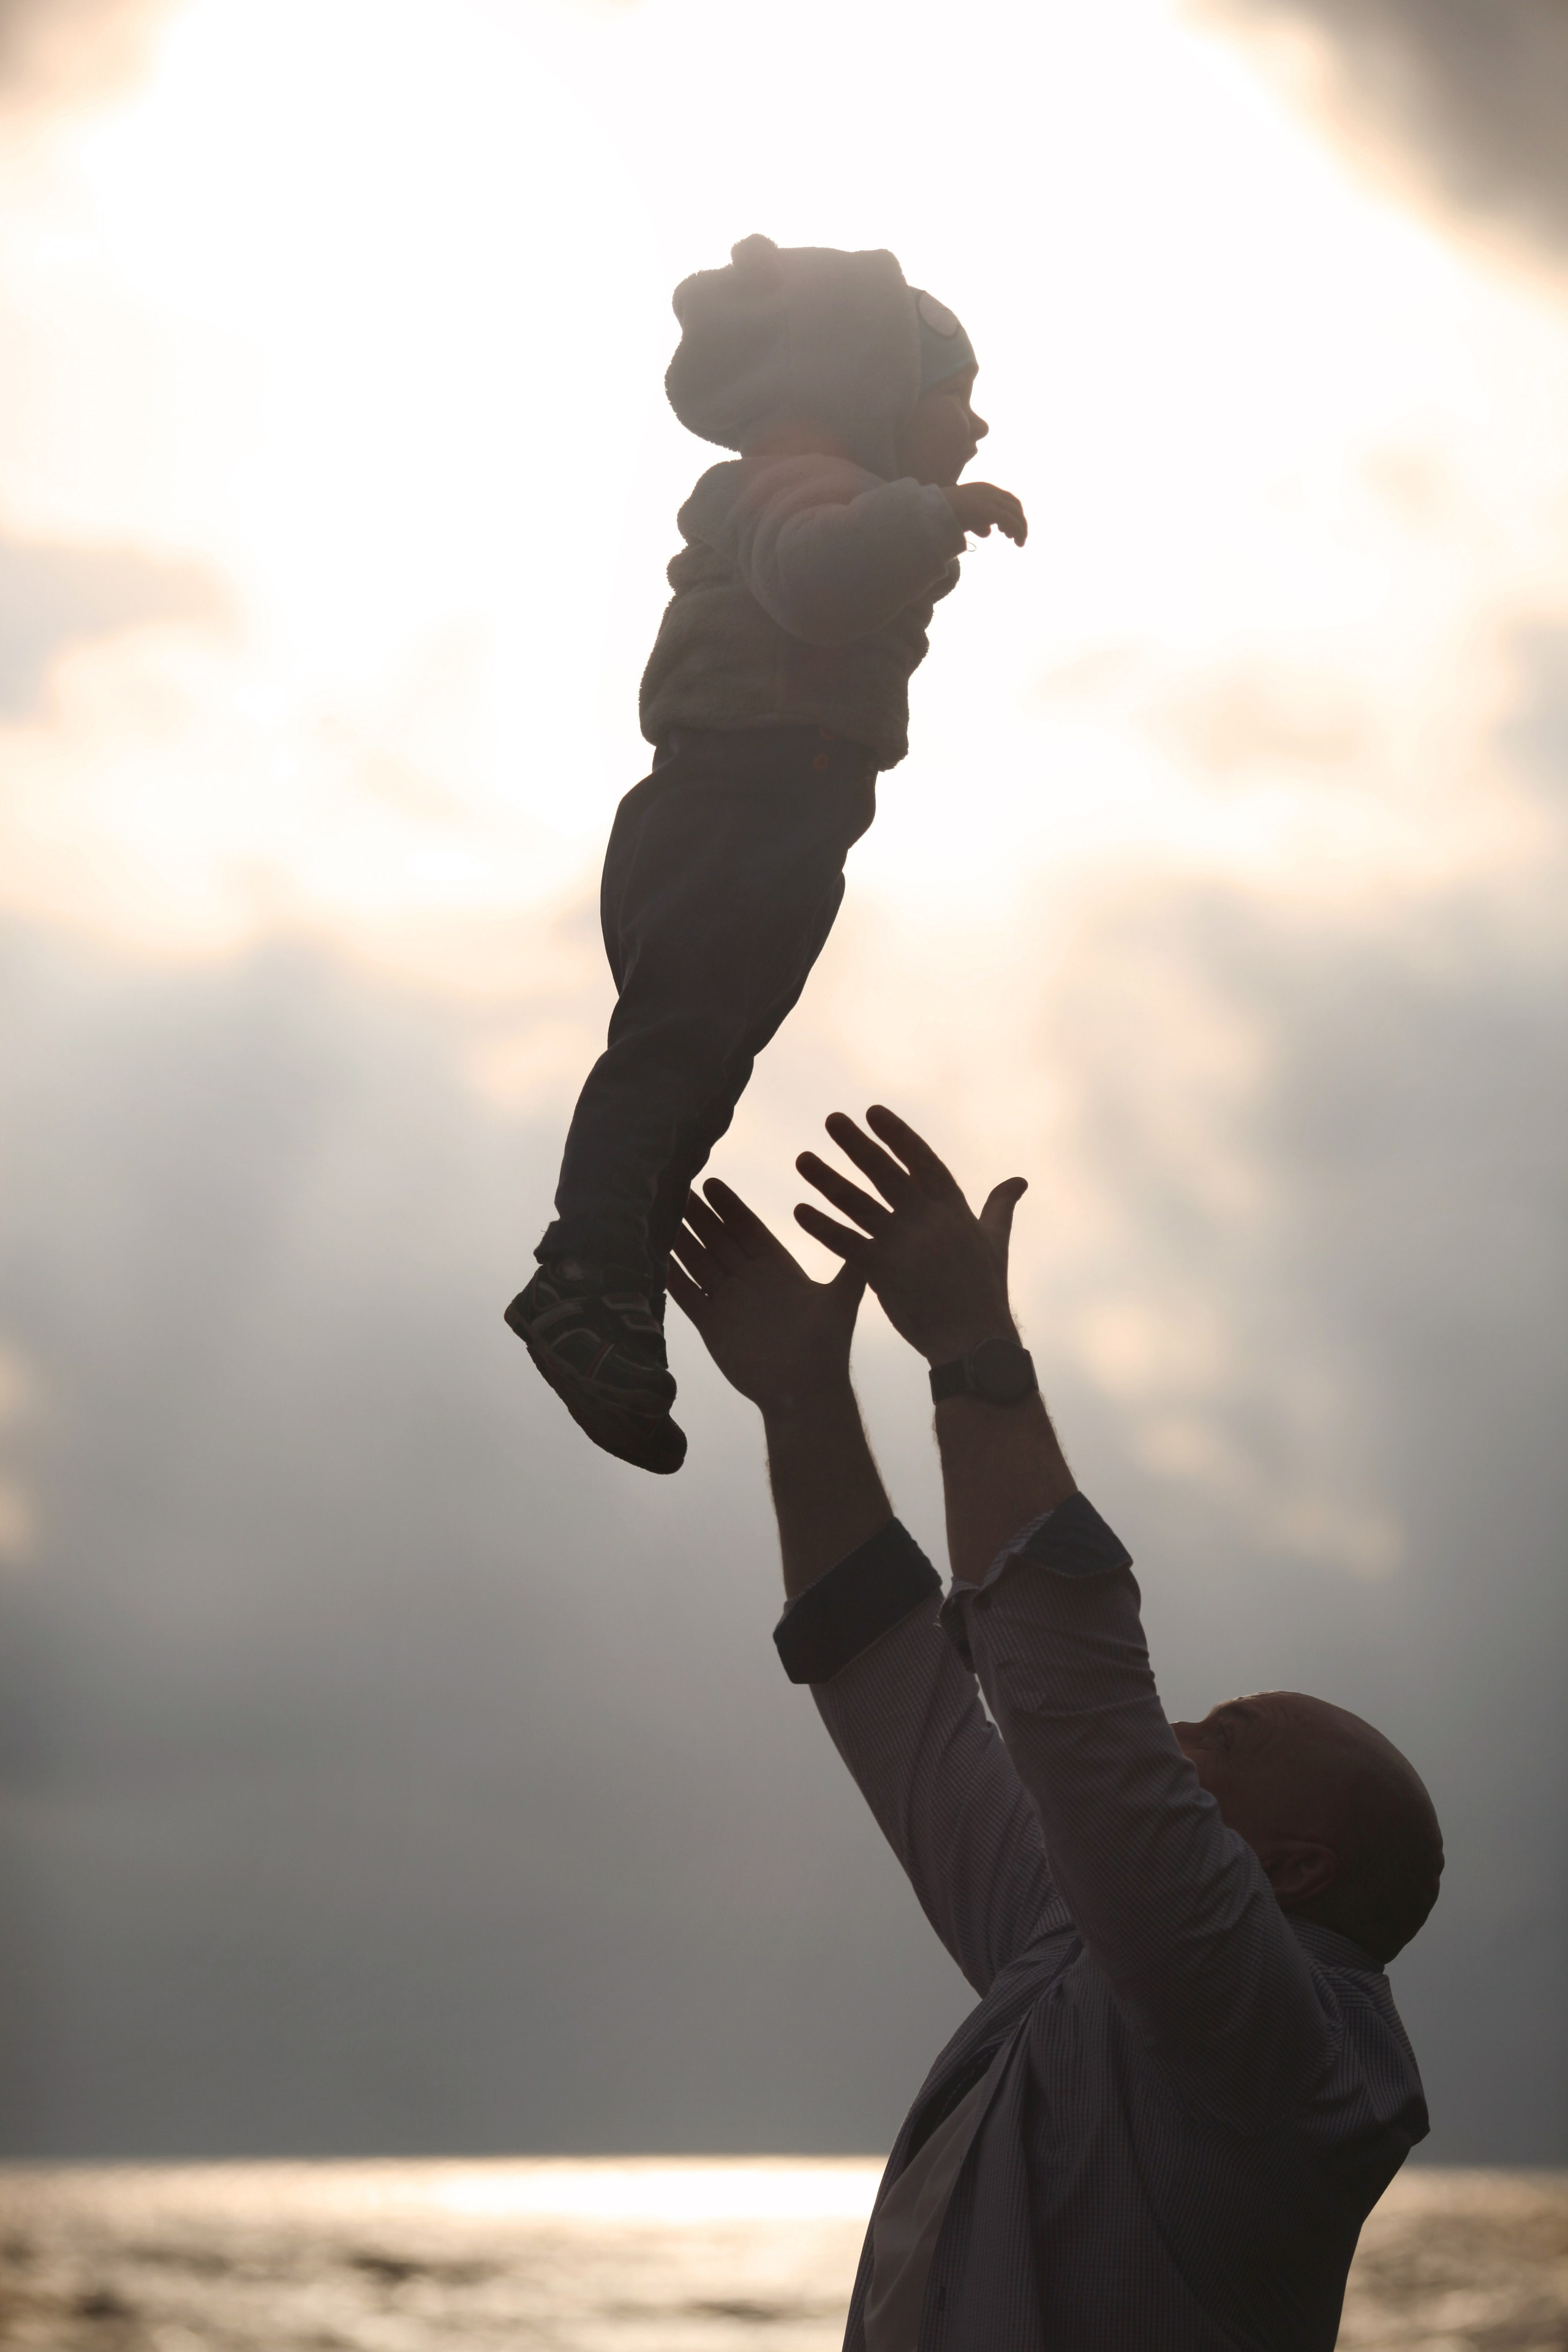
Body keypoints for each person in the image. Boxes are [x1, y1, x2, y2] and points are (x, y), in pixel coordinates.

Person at [666, 1104, 1443, 2352]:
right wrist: (802, 1397)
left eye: (1220, 1737)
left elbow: (1082, 1719)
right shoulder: (1071, 1949)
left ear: (1288, 1872)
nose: (1174, 1732)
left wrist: (973, 1349)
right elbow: (896, 1695)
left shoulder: (1282, 2052)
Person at [505, 236, 1027, 1475]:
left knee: (699, 1065)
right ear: (877, 385)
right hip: (735, 799)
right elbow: (813, 582)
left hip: (782, 815)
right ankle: (583, 1270)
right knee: (674, 1050)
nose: (978, 426)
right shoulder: (797, 484)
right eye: (956, 397)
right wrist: (925, 514)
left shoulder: (839, 489)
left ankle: (612, 1286)